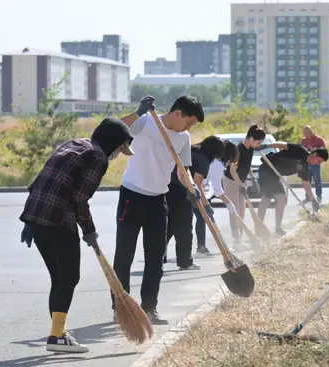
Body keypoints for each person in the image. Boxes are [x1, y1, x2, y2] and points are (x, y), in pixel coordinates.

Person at [19, 118, 134, 353]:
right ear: (113, 143)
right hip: (58, 221)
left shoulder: (72, 144)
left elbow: (39, 181)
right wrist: (89, 229)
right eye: (119, 149)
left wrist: (29, 221)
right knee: (69, 278)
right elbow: (80, 198)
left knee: (59, 278)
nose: (116, 155)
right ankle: (57, 337)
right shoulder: (97, 157)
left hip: (37, 217)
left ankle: (58, 333)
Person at [113, 94, 204, 326]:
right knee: (125, 255)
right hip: (131, 195)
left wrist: (192, 189)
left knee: (155, 258)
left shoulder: (183, 138)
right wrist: (138, 111)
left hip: (157, 200)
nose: (188, 127)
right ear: (177, 114)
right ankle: (120, 307)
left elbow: (183, 171)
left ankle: (149, 308)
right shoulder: (146, 122)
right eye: (189, 121)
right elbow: (116, 128)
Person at [163, 136, 220, 266]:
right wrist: (206, 206)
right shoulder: (203, 161)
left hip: (167, 187)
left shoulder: (192, 151)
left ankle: (160, 256)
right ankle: (185, 262)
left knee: (170, 225)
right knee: (184, 228)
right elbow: (197, 186)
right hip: (182, 191)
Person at [256, 142, 328, 235]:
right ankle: (259, 227)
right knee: (268, 198)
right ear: (314, 154)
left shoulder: (305, 167)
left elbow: (305, 183)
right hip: (267, 169)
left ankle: (277, 228)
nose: (317, 164)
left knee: (280, 199)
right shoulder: (299, 150)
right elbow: (282, 145)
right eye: (318, 161)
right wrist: (265, 146)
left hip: (275, 175)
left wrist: (313, 200)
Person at [222, 124, 266, 248]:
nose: (258, 145)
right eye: (258, 142)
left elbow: (247, 166)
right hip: (231, 181)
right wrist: (240, 184)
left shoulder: (250, 149)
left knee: (241, 212)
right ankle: (236, 240)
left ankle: (240, 237)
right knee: (234, 211)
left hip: (241, 181)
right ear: (251, 139)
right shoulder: (239, 150)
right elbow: (232, 170)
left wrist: (252, 179)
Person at [301, 125, 327, 203]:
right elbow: (301, 150)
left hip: (315, 164)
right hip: (306, 164)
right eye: (304, 132)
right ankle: (308, 197)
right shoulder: (304, 140)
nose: (305, 134)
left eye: (307, 132)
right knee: (306, 181)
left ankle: (319, 196)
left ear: (311, 131)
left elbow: (324, 150)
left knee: (317, 181)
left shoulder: (319, 139)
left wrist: (314, 151)